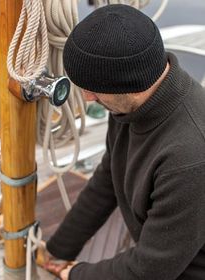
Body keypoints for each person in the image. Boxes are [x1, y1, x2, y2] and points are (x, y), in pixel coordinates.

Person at [44, 4, 205, 280]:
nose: (87, 98)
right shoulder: (126, 104)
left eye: (93, 89)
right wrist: (59, 248)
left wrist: (75, 274)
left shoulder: (189, 157)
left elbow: (150, 270)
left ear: (127, 83)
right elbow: (109, 176)